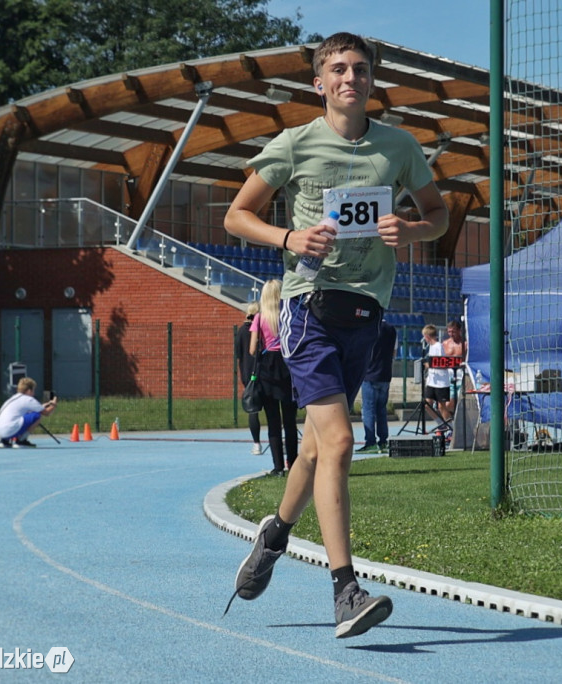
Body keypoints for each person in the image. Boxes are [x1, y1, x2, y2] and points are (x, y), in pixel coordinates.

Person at [223, 32, 448, 638]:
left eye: (361, 69)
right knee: (342, 442)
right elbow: (236, 215)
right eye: (339, 70)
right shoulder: (295, 143)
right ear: (319, 83)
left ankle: (274, 534)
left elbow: (440, 213)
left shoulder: (398, 147)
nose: (351, 78)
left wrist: (413, 229)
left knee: (320, 448)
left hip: (366, 313)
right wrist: (290, 239)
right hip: (308, 309)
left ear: (373, 81)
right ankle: (345, 588)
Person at [249, 280, 299, 475]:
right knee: (290, 421)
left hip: (267, 368)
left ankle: (278, 466)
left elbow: (253, 349)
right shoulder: (288, 315)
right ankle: (293, 464)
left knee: (273, 421)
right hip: (287, 365)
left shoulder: (259, 318)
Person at [356, 318, 397, 454]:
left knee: (368, 410)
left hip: (370, 374)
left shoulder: (368, 327)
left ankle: (370, 442)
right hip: (385, 374)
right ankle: (383, 441)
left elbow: (361, 350)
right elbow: (394, 352)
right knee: (381, 410)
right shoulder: (391, 329)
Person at [0, 377, 58, 448]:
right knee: (37, 415)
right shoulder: (29, 399)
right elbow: (46, 413)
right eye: (33, 390)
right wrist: (53, 405)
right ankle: (21, 440)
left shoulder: (12, 398)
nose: (34, 393)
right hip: (10, 430)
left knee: (17, 417)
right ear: (29, 390)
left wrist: (42, 406)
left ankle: (4, 441)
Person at [236, 301, 263, 455]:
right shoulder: (259, 328)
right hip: (262, 370)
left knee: (253, 410)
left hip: (247, 373)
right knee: (273, 407)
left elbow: (239, 354)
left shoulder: (241, 331)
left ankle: (256, 444)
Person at [422, 324, 452, 427]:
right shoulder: (430, 347)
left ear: (427, 336)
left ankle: (451, 428)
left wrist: (428, 365)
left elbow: (442, 363)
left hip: (441, 382)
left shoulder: (438, 346)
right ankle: (441, 424)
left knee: (441, 407)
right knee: (426, 404)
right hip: (432, 382)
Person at [441, 319, 466, 420]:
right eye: (449, 331)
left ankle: (455, 422)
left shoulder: (465, 344)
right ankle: (449, 426)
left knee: (456, 403)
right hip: (448, 375)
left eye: (453, 331)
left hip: (461, 375)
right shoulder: (445, 344)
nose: (451, 334)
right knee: (445, 404)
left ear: (459, 331)